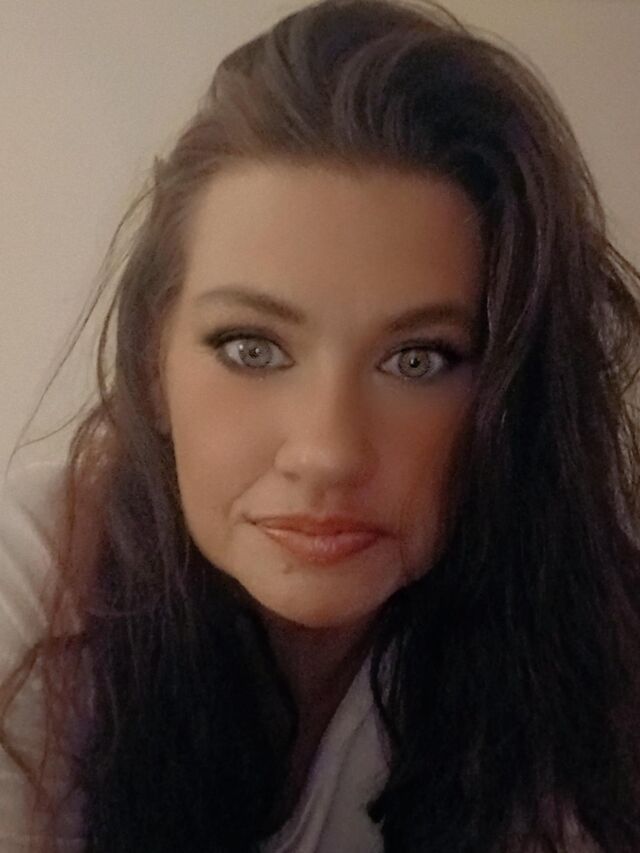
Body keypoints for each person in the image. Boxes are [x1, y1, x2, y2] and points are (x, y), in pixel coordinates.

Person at [1, 0, 640, 850]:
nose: (329, 451)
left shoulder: (582, 648)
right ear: (153, 364)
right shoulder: (36, 578)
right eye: (252, 348)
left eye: (417, 359)